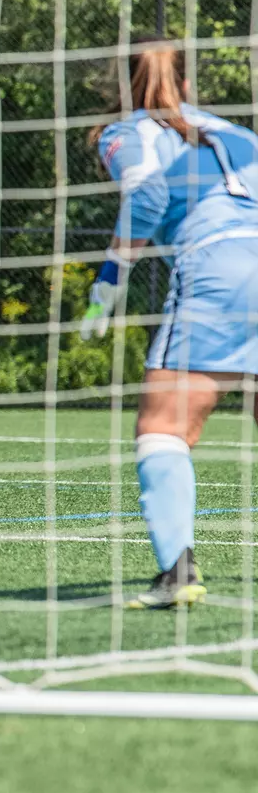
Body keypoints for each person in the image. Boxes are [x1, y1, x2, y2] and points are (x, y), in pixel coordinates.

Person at [83, 38, 258, 608]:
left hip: (218, 268)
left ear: (120, 87)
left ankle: (177, 574)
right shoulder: (237, 134)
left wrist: (108, 283)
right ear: (186, 84)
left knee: (164, 428)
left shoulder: (126, 131)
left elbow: (149, 194)